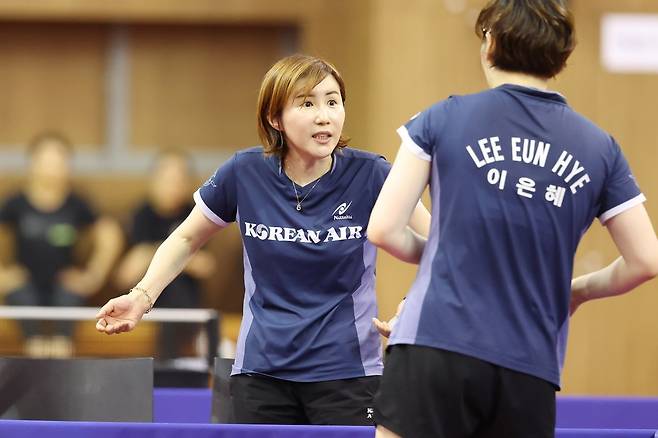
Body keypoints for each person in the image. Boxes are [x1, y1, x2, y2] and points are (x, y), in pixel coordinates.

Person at [367, 1, 658, 437]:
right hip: (529, 368)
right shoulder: (601, 149)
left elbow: (383, 229)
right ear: (563, 55)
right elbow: (646, 261)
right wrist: (577, 291)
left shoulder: (442, 117)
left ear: (490, 43)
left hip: (434, 347)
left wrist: (448, 256)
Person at [96, 54, 430, 425]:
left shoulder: (373, 174)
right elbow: (187, 238)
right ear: (275, 118)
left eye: (333, 102)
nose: (325, 116)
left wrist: (410, 305)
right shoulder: (244, 172)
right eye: (307, 104)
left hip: (348, 372)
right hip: (262, 372)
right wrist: (142, 297)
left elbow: (439, 243)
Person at [0, 132, 123, 357]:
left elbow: (110, 235)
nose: (53, 168)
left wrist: (93, 276)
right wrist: (3, 276)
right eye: (47, 161)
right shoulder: (15, 203)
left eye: (59, 162)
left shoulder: (77, 204)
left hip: (64, 287)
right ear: (33, 164)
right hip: (25, 287)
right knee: (23, 299)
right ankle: (34, 357)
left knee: (66, 302)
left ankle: (62, 358)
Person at [114, 149, 216, 359]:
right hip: (145, 297)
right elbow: (126, 272)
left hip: (186, 298)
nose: (174, 186)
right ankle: (171, 362)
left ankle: (173, 364)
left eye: (180, 179)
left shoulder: (195, 213)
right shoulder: (140, 216)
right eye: (168, 179)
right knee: (170, 287)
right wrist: (180, 255)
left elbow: (205, 267)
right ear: (153, 181)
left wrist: (152, 253)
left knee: (177, 287)